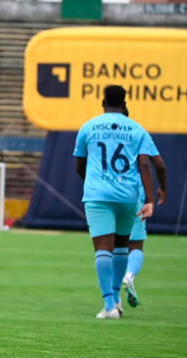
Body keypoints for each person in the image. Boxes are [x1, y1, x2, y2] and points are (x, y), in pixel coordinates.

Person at [73, 85, 155, 319]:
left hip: (98, 194)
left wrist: (91, 181)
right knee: (121, 248)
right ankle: (117, 298)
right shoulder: (136, 129)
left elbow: (80, 163)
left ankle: (110, 305)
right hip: (128, 195)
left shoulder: (88, 127)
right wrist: (149, 198)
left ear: (103, 101)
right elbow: (146, 164)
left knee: (102, 250)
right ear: (125, 101)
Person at [120, 110, 167, 308]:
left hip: (108, 194)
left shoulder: (98, 131)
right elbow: (158, 164)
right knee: (136, 245)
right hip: (134, 193)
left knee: (113, 248)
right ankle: (129, 275)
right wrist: (162, 188)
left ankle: (113, 302)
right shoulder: (138, 132)